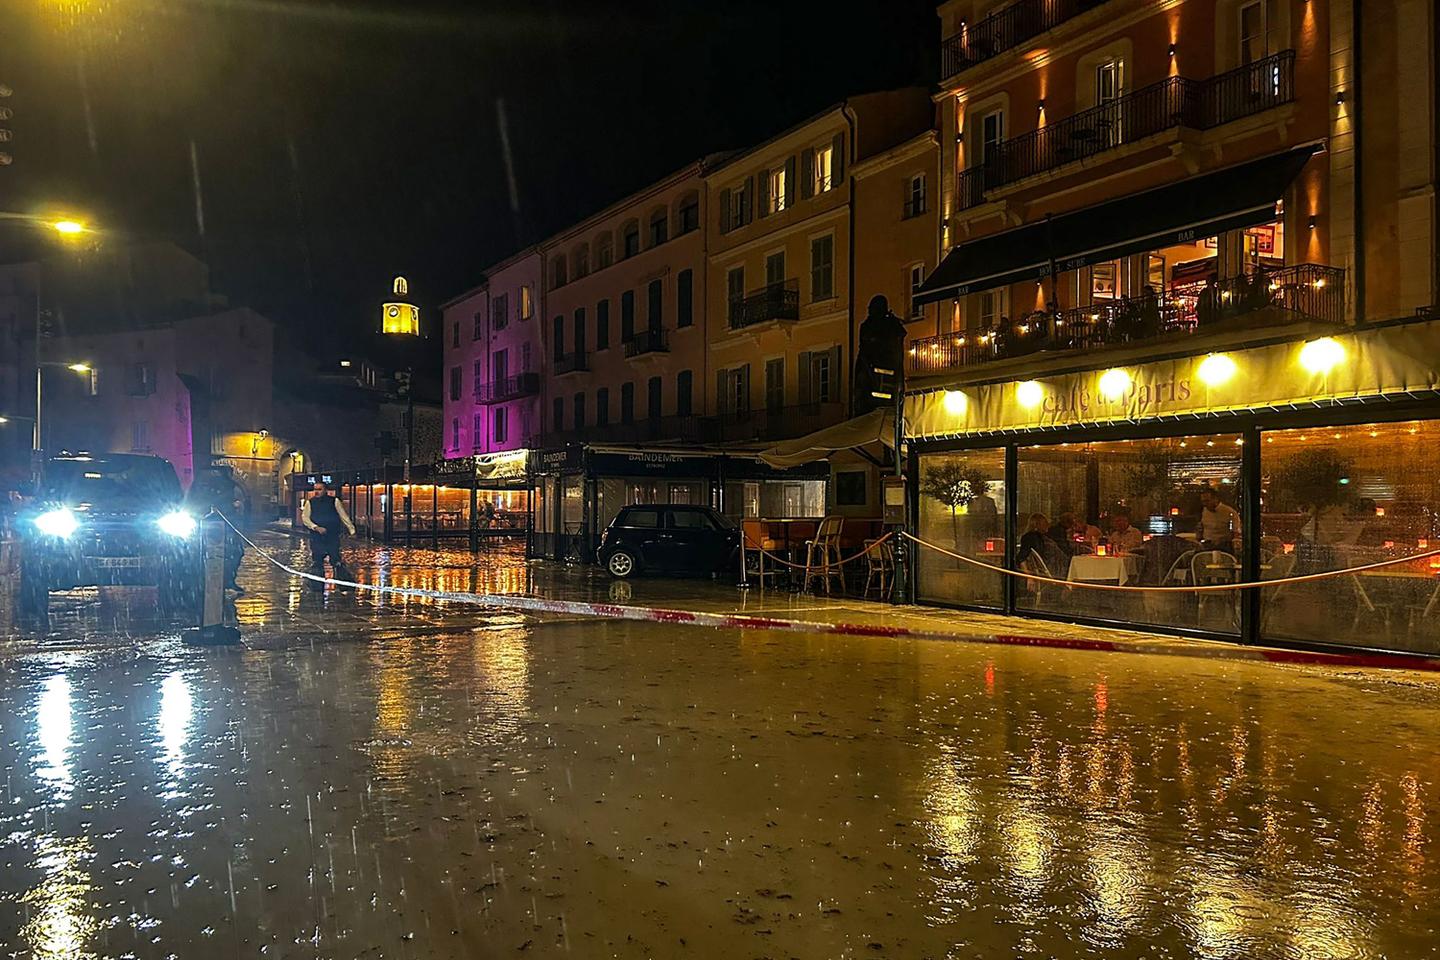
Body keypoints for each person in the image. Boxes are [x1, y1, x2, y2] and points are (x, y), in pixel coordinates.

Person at [301, 480, 356, 583]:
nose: (316, 492)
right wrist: (315, 527)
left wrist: (352, 530)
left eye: (319, 489)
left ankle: (344, 583)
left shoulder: (334, 501)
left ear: (325, 490)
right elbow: (305, 518)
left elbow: (344, 516)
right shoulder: (310, 502)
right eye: (315, 489)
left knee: (335, 558)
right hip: (316, 536)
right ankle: (316, 585)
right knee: (317, 560)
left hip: (332, 535)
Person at [1198, 487, 1240, 552]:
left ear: (1215, 499)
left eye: (1207, 501)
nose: (1204, 504)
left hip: (1224, 547)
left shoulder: (1229, 512)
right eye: (1203, 501)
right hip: (1206, 546)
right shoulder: (1204, 511)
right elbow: (1201, 527)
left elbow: (1235, 532)